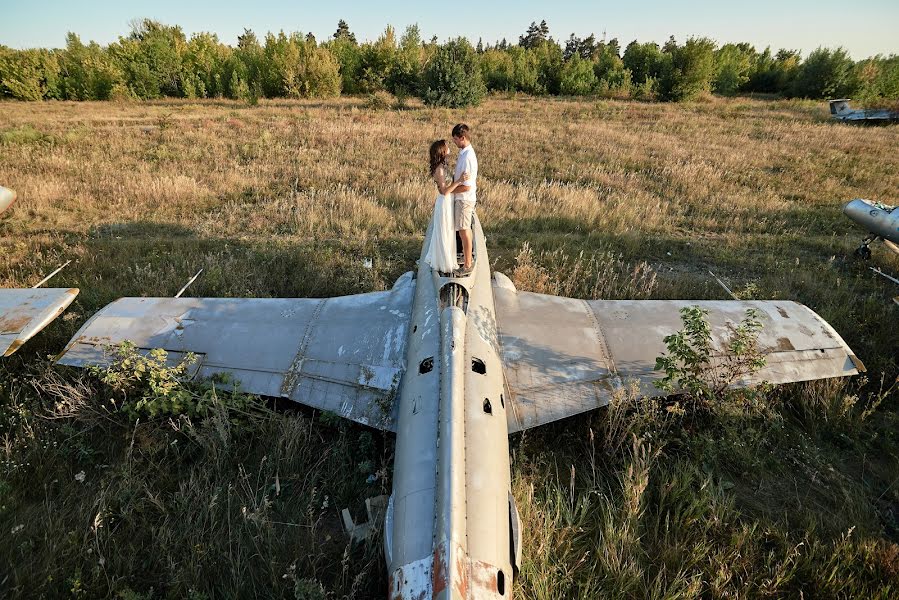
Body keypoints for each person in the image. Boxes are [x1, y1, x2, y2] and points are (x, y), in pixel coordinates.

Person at [424, 140, 468, 273]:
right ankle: (444, 262)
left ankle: (448, 258)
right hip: (444, 201)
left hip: (448, 201)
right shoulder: (440, 169)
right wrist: (459, 181)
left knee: (448, 231)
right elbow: (444, 191)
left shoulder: (442, 165)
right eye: (447, 146)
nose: (449, 147)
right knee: (445, 232)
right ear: (442, 151)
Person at [450, 123, 478, 275]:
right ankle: (466, 261)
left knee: (464, 230)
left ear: (462, 138)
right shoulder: (463, 154)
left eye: (455, 139)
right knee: (462, 229)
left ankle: (467, 264)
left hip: (464, 199)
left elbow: (467, 186)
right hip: (462, 198)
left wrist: (450, 191)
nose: (454, 142)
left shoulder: (467, 157)